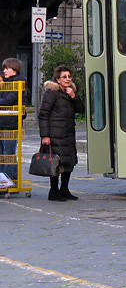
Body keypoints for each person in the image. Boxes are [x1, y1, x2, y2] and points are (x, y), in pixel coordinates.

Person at [39, 65, 84, 202]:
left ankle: (64, 189)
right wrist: (45, 136)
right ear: (58, 79)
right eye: (64, 77)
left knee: (69, 161)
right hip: (55, 133)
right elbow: (43, 114)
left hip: (68, 133)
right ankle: (54, 191)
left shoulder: (70, 93)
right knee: (56, 163)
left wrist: (74, 96)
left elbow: (81, 109)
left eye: (69, 76)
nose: (68, 79)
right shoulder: (52, 93)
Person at [0, 58, 26, 186]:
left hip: (10, 123)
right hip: (2, 121)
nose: (4, 71)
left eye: (7, 68)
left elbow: (8, 101)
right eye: (4, 68)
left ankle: (8, 179)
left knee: (8, 154)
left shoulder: (18, 83)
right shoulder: (5, 82)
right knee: (2, 154)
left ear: (14, 70)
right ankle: (7, 179)